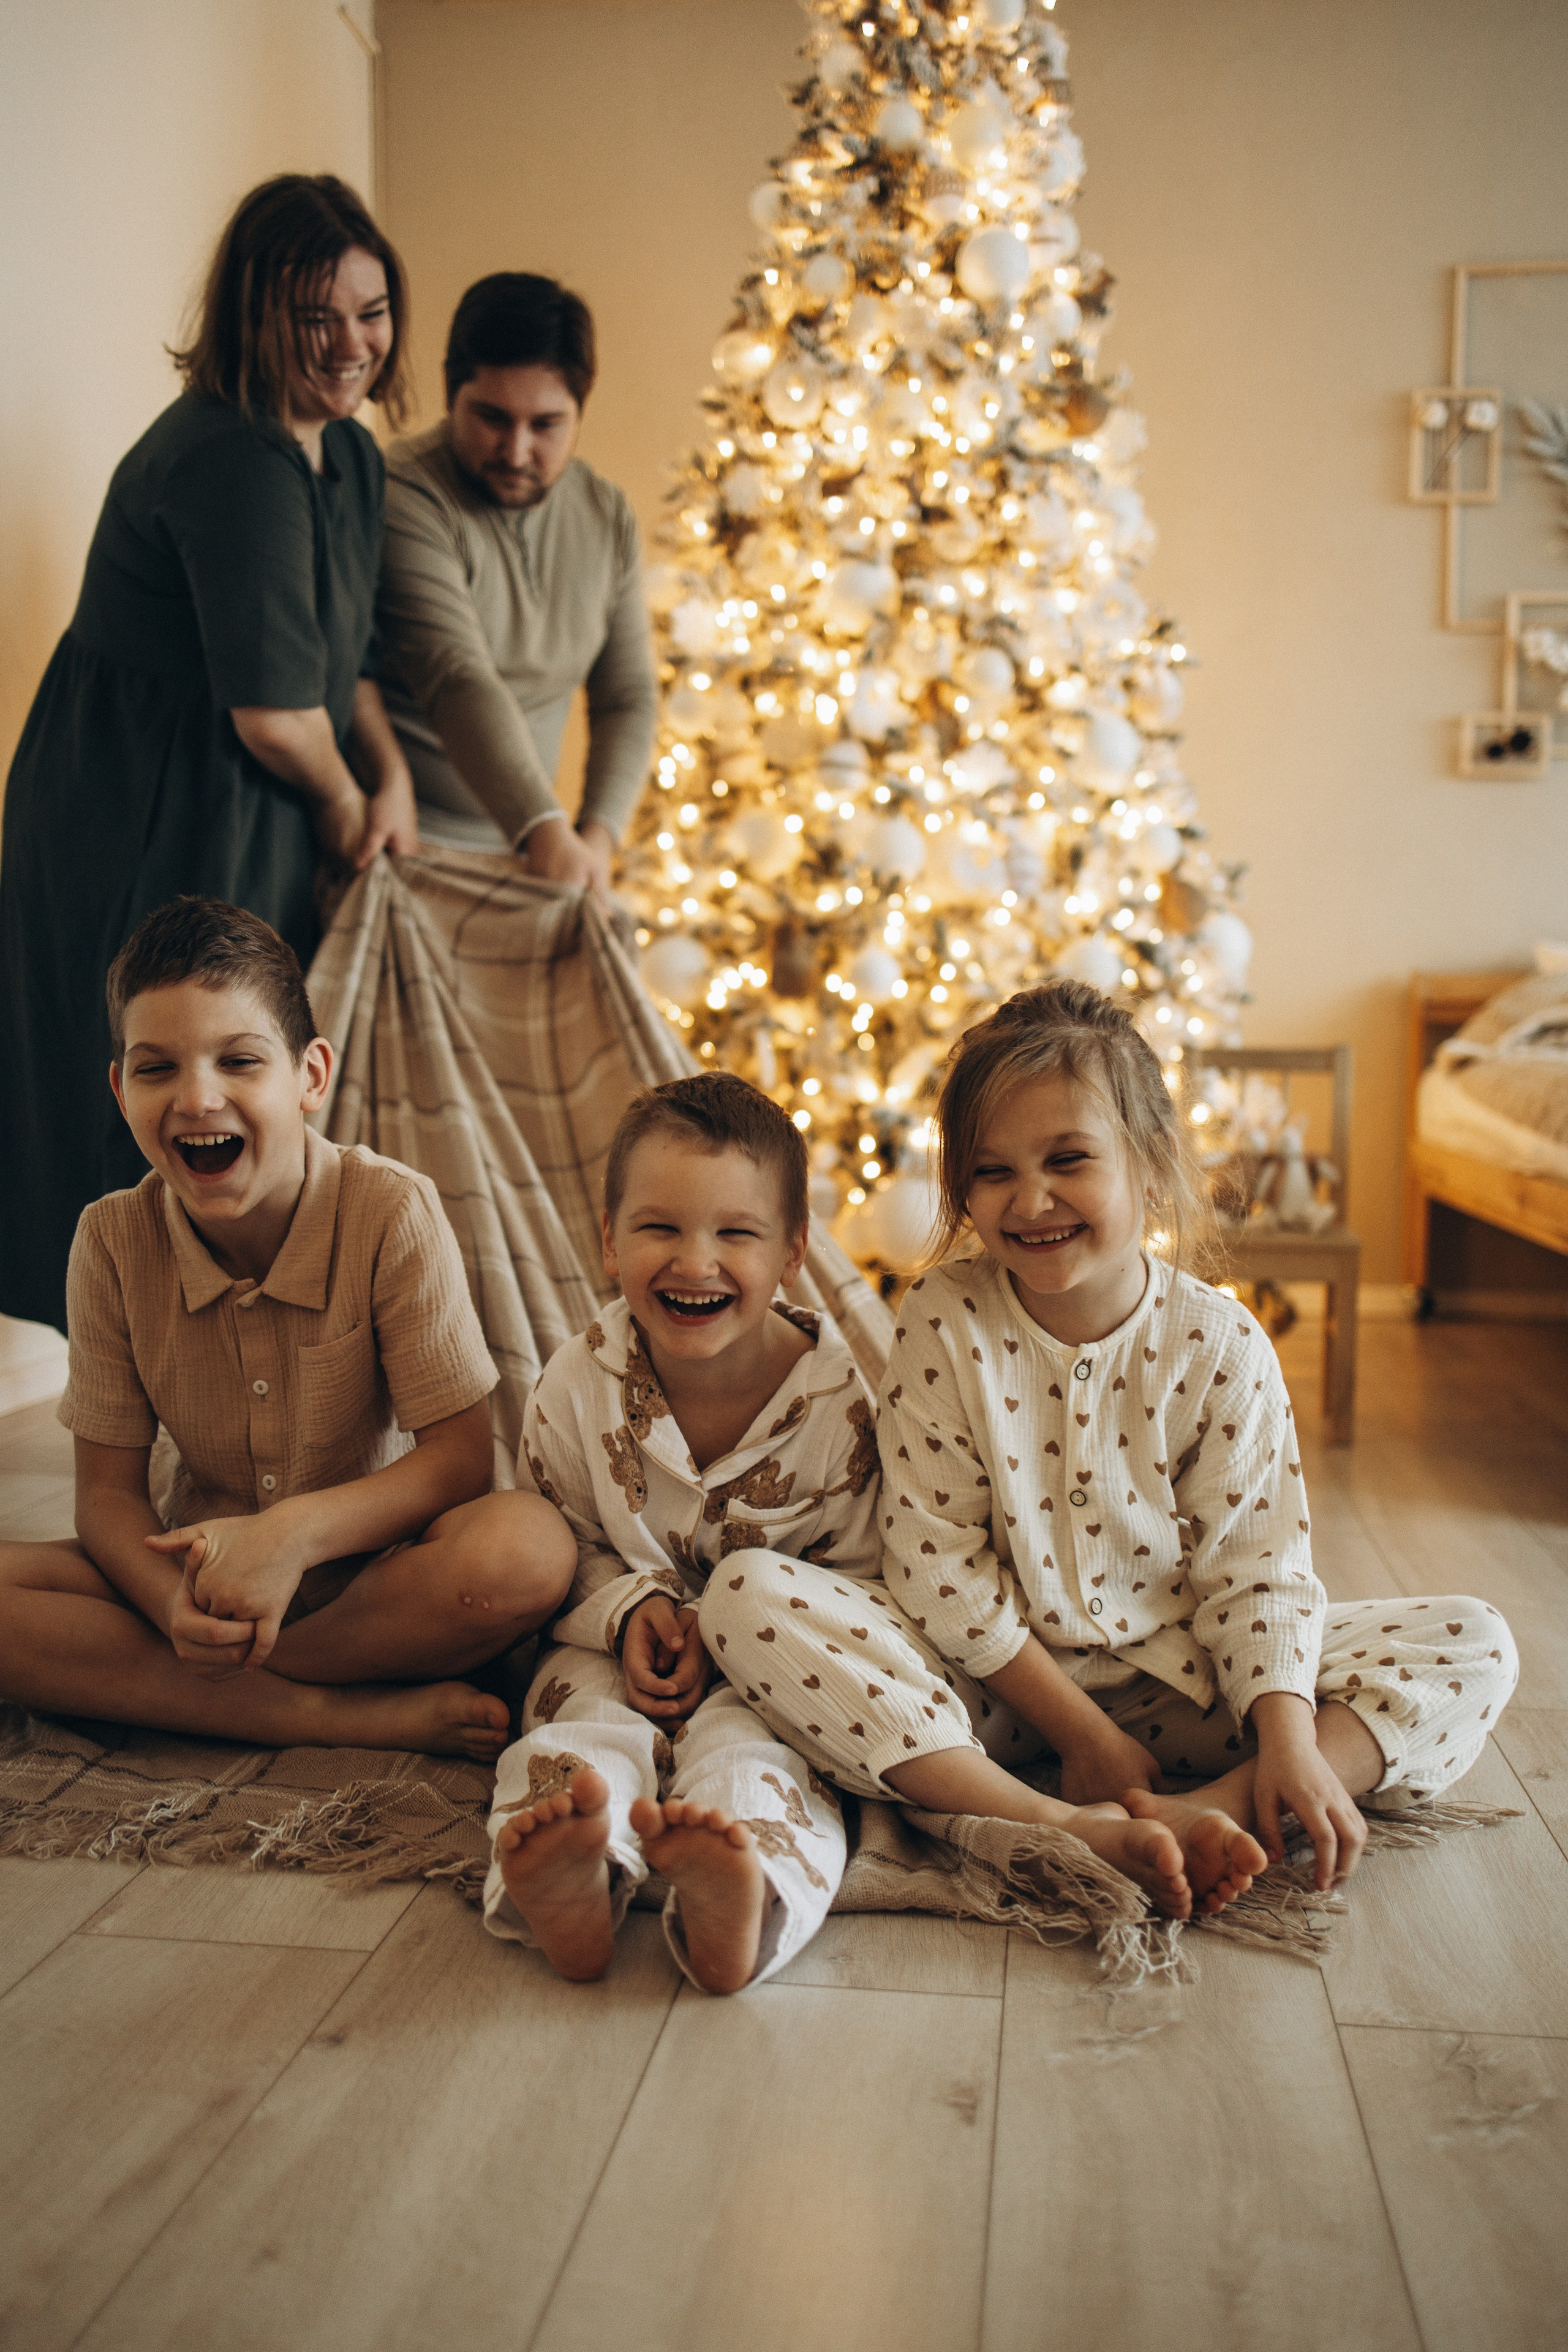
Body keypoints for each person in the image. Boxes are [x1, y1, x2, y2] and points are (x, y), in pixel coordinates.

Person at [701, 980, 1520, 1920]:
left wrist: (1289, 1741)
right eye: (992, 1171)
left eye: (1068, 1159)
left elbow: (1258, 1570)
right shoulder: (946, 1318)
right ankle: (1062, 1825)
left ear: (1151, 1163)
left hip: (1195, 1682)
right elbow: (935, 1564)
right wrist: (1081, 1733)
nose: (1030, 1199)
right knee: (749, 1595)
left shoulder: (1220, 1345)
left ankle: (1203, 1812)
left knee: (1475, 1643)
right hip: (996, 1695)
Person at [0, 899, 576, 1757]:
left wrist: (289, 1537)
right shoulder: (111, 1240)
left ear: (310, 1077)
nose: (198, 1097)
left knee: (528, 1550)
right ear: (122, 1091)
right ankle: (325, 1713)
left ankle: (230, 1686)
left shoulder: (390, 1209)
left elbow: (459, 1461)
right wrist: (173, 1609)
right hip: (198, 1575)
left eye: (238, 1060)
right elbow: (108, 1498)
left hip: (377, 1581)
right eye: (157, 1069)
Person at [0, 174, 420, 1335]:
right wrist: (343, 798)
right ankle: (129, 1362)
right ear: (254, 313)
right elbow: (276, 714)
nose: (350, 346)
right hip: (144, 795)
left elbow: (350, 660)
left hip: (254, 789)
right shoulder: (234, 458)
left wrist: (388, 776)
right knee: (165, 1065)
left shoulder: (350, 456)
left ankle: (240, 1348)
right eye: (315, 317)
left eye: (371, 312)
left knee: (247, 1066)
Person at [484, 1074, 876, 1995]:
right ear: (609, 1240)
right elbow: (558, 1545)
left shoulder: (842, 1407)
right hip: (607, 1652)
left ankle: (742, 1891)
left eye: (735, 1234)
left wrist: (735, 1640)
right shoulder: (576, 1383)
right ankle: (571, 1870)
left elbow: (862, 1585)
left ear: (792, 1253)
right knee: (576, 1723)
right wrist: (626, 1614)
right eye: (660, 1229)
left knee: (767, 1755)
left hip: (767, 1673)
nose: (694, 1262)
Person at [375, 272, 656, 902]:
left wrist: (596, 837)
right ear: (451, 391)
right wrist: (545, 829)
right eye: (492, 418)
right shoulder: (401, 492)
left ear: (581, 411)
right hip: (406, 849)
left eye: (547, 424)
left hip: (536, 851)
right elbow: (456, 676)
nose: (516, 449)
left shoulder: (605, 513)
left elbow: (627, 696)